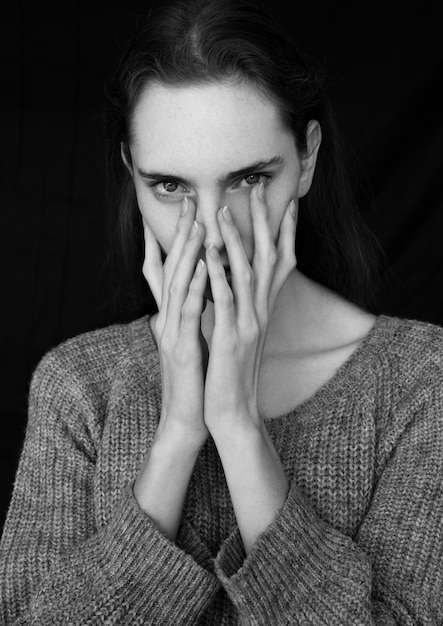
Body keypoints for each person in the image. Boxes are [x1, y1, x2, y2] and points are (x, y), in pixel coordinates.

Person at [1, 0, 442, 623]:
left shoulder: (422, 383)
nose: (211, 233)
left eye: (248, 179)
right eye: (171, 186)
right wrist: (177, 436)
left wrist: (238, 428)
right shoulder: (79, 386)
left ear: (307, 158)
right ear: (133, 173)